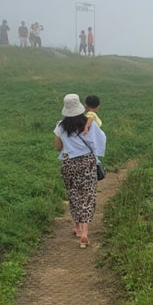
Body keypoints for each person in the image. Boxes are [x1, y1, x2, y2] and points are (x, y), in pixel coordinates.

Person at [53, 93, 106, 247]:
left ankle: (76, 227)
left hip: (69, 162)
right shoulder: (89, 124)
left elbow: (58, 147)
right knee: (87, 195)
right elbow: (100, 140)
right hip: (87, 162)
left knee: (74, 194)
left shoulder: (60, 126)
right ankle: (84, 232)